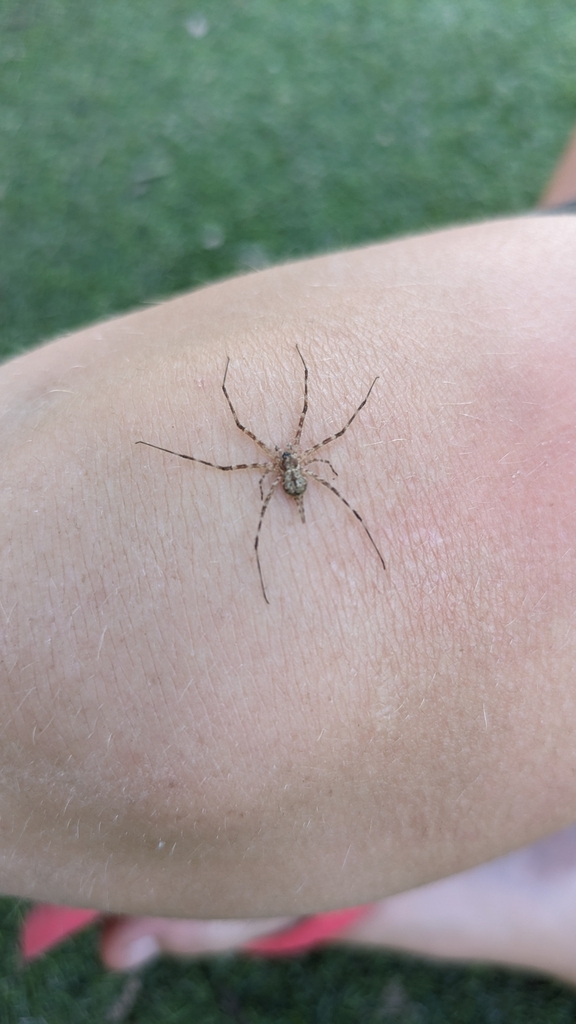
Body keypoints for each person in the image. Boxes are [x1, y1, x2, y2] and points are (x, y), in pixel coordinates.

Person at [5, 128, 576, 985]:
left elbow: (324, 448)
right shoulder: (275, 467)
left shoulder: (304, 460)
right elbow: (273, 463)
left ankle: (519, 892)